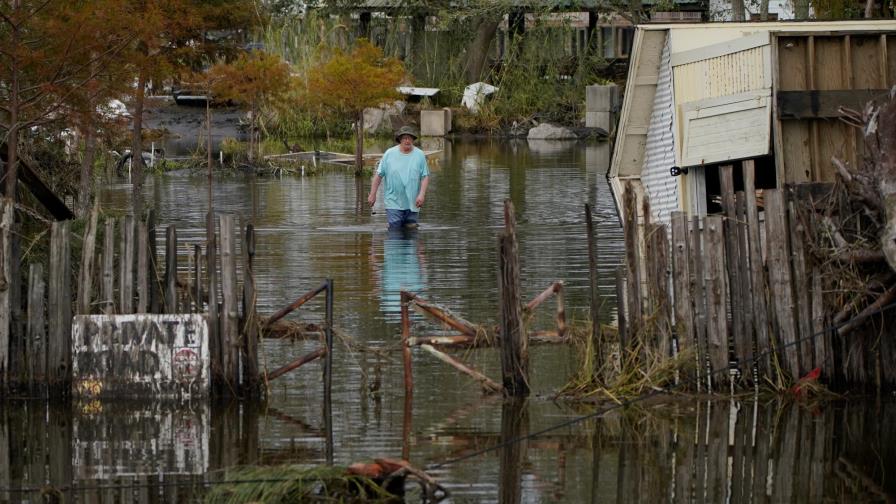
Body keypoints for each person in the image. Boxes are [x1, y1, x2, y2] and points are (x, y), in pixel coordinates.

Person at [367, 125, 430, 230]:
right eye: (404, 138)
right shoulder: (389, 154)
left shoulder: (419, 155)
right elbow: (378, 176)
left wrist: (422, 195)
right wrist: (373, 195)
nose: (407, 140)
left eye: (410, 138)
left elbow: (425, 176)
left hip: (413, 203)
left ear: (413, 140)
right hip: (393, 203)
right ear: (400, 139)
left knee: (411, 231)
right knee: (395, 230)